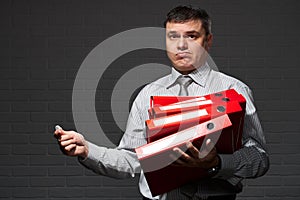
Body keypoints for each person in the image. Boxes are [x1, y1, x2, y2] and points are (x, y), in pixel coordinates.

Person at [54, 5, 269, 200]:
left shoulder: (234, 90)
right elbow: (131, 160)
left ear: (208, 41)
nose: (182, 45)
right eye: (173, 37)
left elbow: (259, 158)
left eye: (192, 36)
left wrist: (218, 163)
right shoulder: (147, 95)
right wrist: (87, 150)